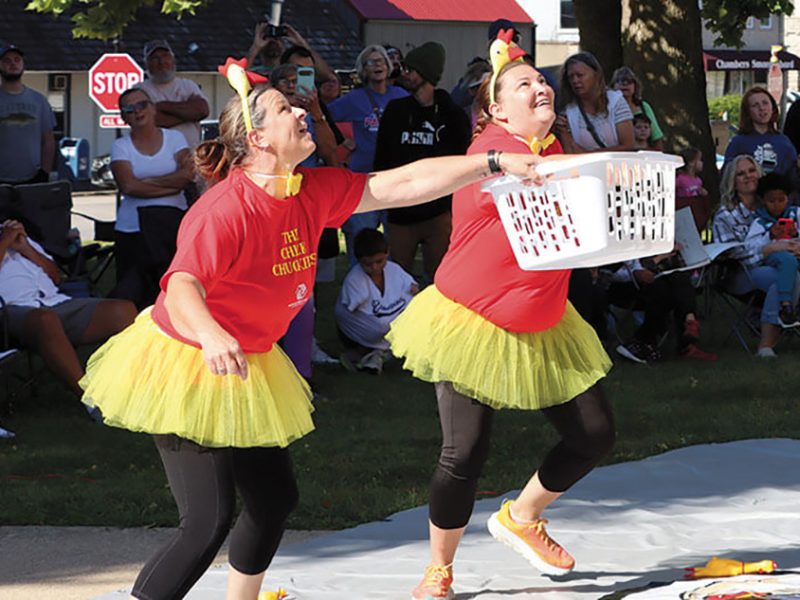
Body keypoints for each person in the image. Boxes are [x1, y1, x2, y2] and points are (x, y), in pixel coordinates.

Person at [79, 67, 546, 600]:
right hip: (186, 359)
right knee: (207, 521)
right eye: (285, 109)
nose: (303, 111)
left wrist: (492, 160)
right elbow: (183, 284)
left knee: (274, 499)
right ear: (256, 139)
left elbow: (404, 182)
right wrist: (210, 335)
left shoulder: (310, 192)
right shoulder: (226, 209)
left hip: (246, 359)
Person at [388, 35, 615, 600]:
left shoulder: (553, 150)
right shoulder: (489, 152)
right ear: (495, 109)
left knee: (594, 434)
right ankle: (439, 567)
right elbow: (502, 183)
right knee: (464, 452)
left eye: (542, 80)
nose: (540, 86)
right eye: (524, 84)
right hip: (472, 320)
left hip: (541, 318)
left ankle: (523, 516)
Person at [0, 214, 135, 403]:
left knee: (124, 311)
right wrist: (5, 240)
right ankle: (91, 399)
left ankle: (128, 387)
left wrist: (26, 248)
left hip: (55, 302)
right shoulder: (6, 238)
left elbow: (55, 277)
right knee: (45, 320)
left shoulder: (18, 240)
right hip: (12, 311)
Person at [374, 42, 472, 281]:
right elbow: (382, 156)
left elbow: (460, 161)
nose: (404, 73)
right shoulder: (396, 110)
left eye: (411, 69)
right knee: (398, 277)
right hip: (400, 211)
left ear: (426, 73)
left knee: (441, 277)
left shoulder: (452, 115)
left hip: (438, 212)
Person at [110, 87, 194, 309]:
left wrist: (145, 184)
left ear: (153, 107)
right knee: (133, 294)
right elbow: (127, 186)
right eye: (129, 109)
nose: (137, 111)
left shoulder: (176, 138)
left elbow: (187, 176)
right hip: (133, 230)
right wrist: (171, 184)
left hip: (172, 225)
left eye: (142, 105)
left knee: (172, 288)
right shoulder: (120, 146)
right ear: (123, 117)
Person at [329, 45, 408, 263]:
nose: (378, 66)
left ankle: (392, 290)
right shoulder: (354, 98)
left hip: (395, 176)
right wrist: (342, 141)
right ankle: (359, 290)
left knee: (395, 239)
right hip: (364, 179)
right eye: (371, 62)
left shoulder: (401, 96)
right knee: (361, 238)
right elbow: (324, 116)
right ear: (362, 70)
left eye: (381, 61)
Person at [712, 155, 787, 357]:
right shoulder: (725, 215)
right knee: (782, 279)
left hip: (781, 263)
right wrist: (766, 249)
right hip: (739, 273)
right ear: (732, 181)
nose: (748, 176)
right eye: (741, 174)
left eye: (751, 171)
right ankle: (766, 343)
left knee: (789, 275)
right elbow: (731, 254)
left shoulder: (774, 205)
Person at [335, 228, 417, 374]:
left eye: (380, 261)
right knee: (382, 326)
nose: (375, 268)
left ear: (388, 253)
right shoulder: (355, 279)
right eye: (368, 264)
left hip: (386, 322)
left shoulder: (394, 270)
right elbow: (352, 310)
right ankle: (371, 352)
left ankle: (375, 354)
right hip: (357, 332)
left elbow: (413, 289)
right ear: (359, 260)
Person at [610, 259, 718, 364]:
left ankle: (646, 339)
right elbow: (614, 274)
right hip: (625, 289)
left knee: (677, 278)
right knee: (670, 290)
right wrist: (657, 259)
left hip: (652, 283)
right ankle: (688, 332)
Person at [744, 172, 800, 327]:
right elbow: (751, 246)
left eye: (781, 200)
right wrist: (769, 235)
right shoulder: (759, 221)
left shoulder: (796, 214)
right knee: (787, 261)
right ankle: (785, 304)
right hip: (775, 258)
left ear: (788, 198)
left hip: (796, 253)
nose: (777, 205)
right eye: (771, 201)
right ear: (763, 200)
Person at [135, 40, 210, 149]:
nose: (161, 62)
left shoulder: (188, 85)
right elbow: (151, 121)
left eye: (165, 56)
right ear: (146, 63)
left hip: (189, 157)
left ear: (173, 60)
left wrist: (162, 106)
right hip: (155, 158)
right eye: (155, 58)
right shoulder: (140, 90)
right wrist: (189, 115)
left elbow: (202, 110)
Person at [555, 51, 634, 153]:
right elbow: (570, 152)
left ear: (596, 75)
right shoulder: (568, 110)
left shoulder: (616, 101)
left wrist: (589, 154)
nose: (575, 81)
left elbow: (628, 146)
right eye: (571, 77)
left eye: (580, 75)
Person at [0, 43, 56, 185]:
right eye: (7, 61)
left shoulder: (39, 100)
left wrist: (44, 172)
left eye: (17, 60)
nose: (13, 64)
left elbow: (48, 141)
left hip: (32, 178)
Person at [723, 86, 797, 177]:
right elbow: (727, 174)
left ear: (773, 108)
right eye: (755, 105)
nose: (761, 108)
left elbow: (793, 173)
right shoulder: (738, 142)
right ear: (748, 112)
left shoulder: (783, 141)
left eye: (765, 103)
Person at [611, 65, 664, 150]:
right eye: (619, 81)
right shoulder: (608, 108)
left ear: (635, 86)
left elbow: (657, 139)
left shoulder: (644, 107)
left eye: (629, 81)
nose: (625, 84)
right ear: (613, 86)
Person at [676, 147, 712, 232]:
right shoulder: (680, 179)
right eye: (699, 160)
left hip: (696, 214)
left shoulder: (698, 181)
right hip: (684, 215)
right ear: (691, 163)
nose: (702, 163)